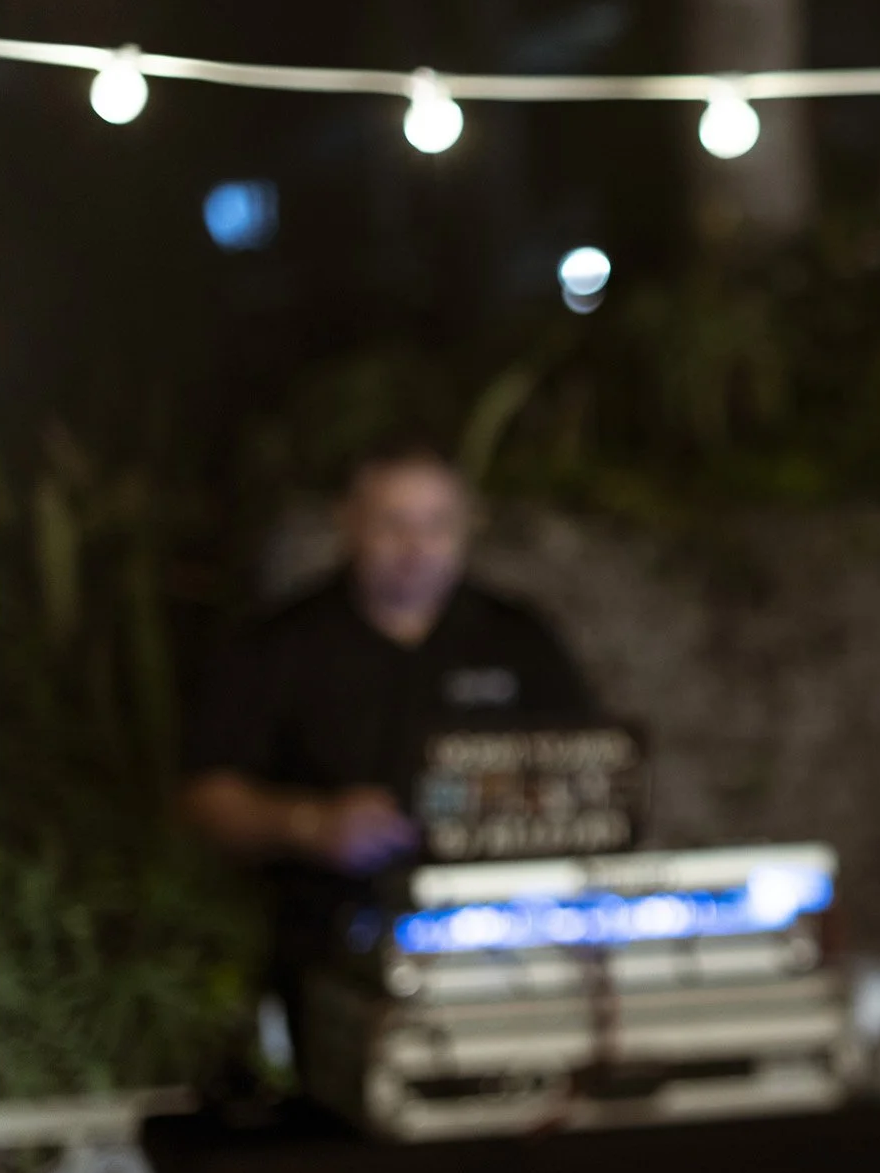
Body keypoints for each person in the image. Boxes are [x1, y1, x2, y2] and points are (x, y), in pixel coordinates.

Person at [181, 444, 598, 1056]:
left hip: (507, 951)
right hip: (330, 946)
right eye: (392, 523)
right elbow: (204, 797)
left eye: (437, 524)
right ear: (348, 522)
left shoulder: (520, 638)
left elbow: (594, 769)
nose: (415, 547)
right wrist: (310, 824)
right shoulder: (280, 645)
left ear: (467, 527)